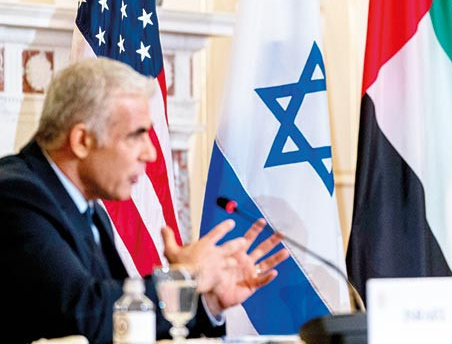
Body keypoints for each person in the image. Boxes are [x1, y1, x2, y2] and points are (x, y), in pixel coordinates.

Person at [0, 58, 290, 343]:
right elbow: (83, 315)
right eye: (136, 136)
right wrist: (185, 277)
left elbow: (119, 323)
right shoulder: (14, 194)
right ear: (82, 140)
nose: (150, 154)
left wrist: (208, 303)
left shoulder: (86, 206)